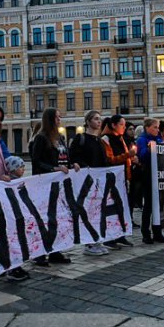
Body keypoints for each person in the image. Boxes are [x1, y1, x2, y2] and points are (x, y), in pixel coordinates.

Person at [30, 108, 79, 265]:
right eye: (57, 117)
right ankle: (39, 254)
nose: (60, 119)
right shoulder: (41, 138)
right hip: (46, 185)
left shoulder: (60, 137)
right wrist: (53, 169)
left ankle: (55, 251)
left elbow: (64, 157)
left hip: (60, 185)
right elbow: (36, 162)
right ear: (50, 119)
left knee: (58, 218)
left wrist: (72, 164)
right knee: (45, 219)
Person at [69, 110, 109, 257]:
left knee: (99, 211)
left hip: (99, 181)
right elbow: (74, 157)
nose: (99, 122)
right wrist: (85, 168)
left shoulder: (99, 140)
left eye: (100, 119)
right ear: (88, 121)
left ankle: (97, 239)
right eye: (96, 119)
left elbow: (103, 161)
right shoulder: (81, 138)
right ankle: (89, 243)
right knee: (89, 211)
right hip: (87, 182)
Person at [101, 114, 137, 248]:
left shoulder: (120, 138)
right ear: (113, 125)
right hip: (112, 179)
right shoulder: (105, 139)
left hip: (123, 177)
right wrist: (128, 155)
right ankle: (110, 238)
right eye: (121, 124)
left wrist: (132, 159)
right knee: (112, 208)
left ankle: (121, 234)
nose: (124, 127)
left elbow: (125, 157)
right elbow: (110, 159)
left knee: (123, 207)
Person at [0, 155, 32, 281]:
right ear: (12, 169)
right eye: (20, 167)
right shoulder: (7, 183)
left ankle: (16, 266)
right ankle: (12, 268)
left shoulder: (19, 183)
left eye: (24, 166)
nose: (23, 169)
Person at [136, 118, 164, 244]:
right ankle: (146, 233)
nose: (157, 129)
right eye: (155, 127)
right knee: (148, 205)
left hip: (159, 174)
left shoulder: (158, 139)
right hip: (148, 175)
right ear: (147, 127)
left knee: (158, 205)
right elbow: (142, 155)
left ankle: (157, 231)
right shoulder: (142, 139)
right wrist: (149, 149)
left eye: (158, 127)